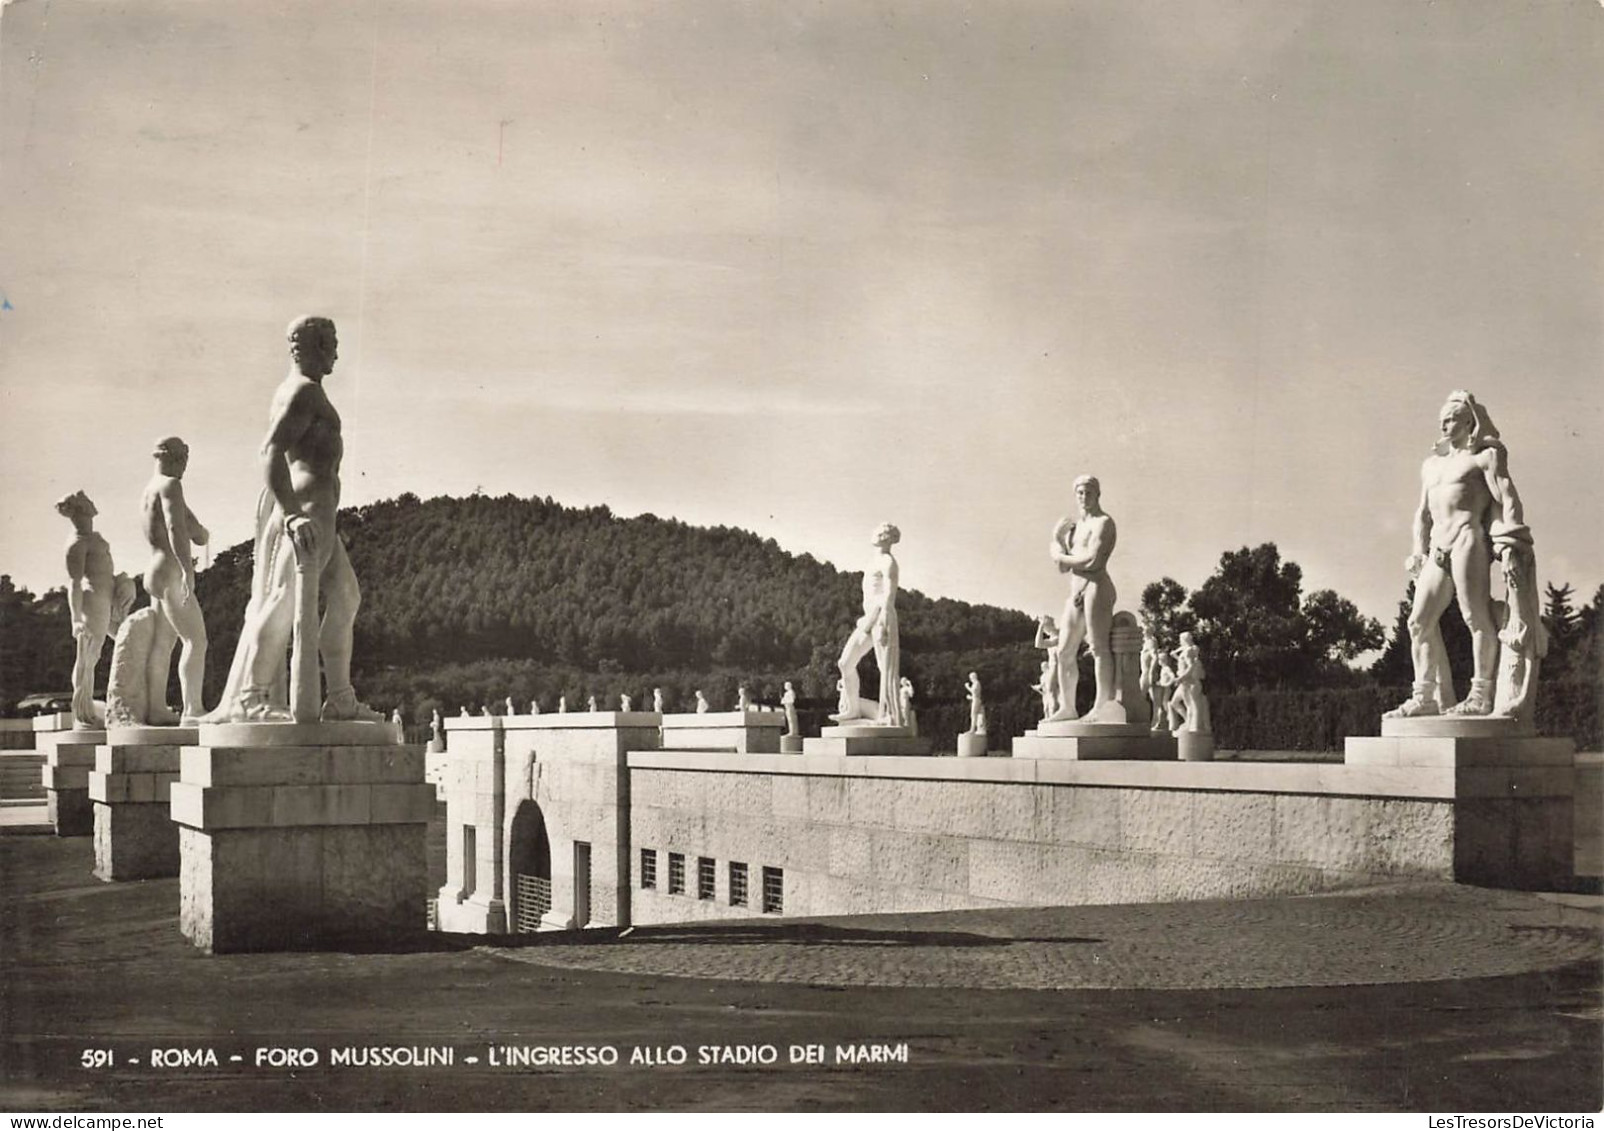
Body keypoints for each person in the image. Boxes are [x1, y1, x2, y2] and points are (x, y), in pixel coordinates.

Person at [208, 317, 379, 723]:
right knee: (284, 599)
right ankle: (251, 696)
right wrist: (290, 515)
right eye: (332, 344)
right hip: (307, 515)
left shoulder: (305, 392)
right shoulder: (302, 392)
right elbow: (270, 452)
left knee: (345, 596)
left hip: (321, 516)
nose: (337, 353)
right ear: (315, 347)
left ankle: (339, 698)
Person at [1386, 391, 1524, 718]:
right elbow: (1422, 513)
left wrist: (1511, 547)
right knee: (1418, 622)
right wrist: (1417, 551)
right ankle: (1425, 696)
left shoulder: (1484, 457)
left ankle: (1480, 695)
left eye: (1451, 419)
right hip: (1437, 547)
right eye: (1441, 420)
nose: (1445, 425)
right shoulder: (1431, 466)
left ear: (1468, 421)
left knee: (1475, 618)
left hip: (1467, 539)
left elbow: (1507, 499)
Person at [133, 438, 212, 722]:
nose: (185, 468)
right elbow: (175, 527)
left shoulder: (149, 489)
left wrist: (201, 532)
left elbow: (190, 526)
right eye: (185, 460)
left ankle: (156, 707)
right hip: (169, 570)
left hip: (152, 570)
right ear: (177, 459)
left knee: (163, 644)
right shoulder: (171, 485)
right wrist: (187, 571)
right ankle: (193, 709)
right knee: (196, 641)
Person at [1045, 476, 1118, 723]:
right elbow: (1063, 569)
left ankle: (1102, 705)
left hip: (1097, 586)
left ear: (1097, 494)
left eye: (1088, 492)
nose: (1083, 497)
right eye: (1079, 493)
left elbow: (1093, 561)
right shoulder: (1076, 528)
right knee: (1064, 651)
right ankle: (1068, 707)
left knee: (1098, 647)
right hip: (1075, 590)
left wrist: (1058, 555)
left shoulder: (1104, 523)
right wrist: (1056, 539)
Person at [57, 492, 127, 728]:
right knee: (89, 653)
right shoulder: (76, 544)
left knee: (124, 639)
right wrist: (76, 618)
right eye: (83, 513)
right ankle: (83, 707)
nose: (87, 517)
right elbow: (74, 583)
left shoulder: (95, 539)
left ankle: (127, 698)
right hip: (93, 599)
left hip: (108, 595)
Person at [831, 522, 903, 726]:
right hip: (868, 620)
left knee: (886, 669)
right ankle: (853, 709)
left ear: (888, 538)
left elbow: (889, 596)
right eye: (877, 531)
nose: (877, 534)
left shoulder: (889, 562)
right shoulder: (873, 562)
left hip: (881, 618)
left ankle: (889, 715)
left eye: (882, 533)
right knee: (845, 663)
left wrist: (880, 624)